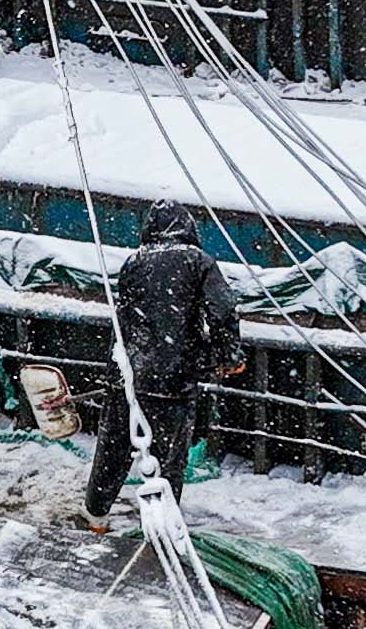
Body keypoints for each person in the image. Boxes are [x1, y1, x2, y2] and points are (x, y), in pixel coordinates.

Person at [84, 200, 245, 528]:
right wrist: (227, 356)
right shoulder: (198, 261)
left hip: (127, 373)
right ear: (189, 228)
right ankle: (161, 526)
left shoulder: (133, 263)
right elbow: (222, 309)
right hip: (173, 377)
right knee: (169, 459)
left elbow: (129, 319)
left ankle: (96, 516)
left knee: (113, 450)